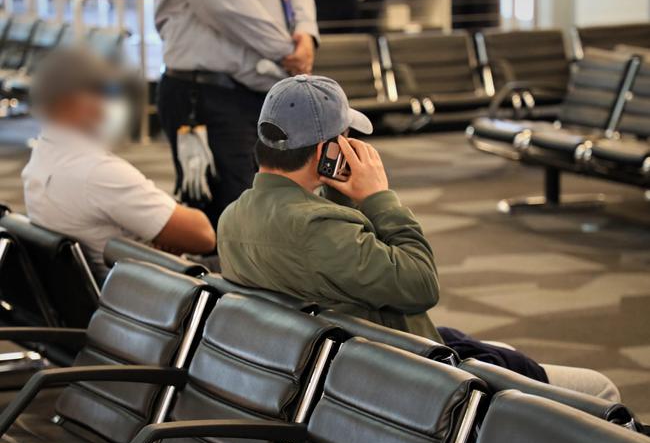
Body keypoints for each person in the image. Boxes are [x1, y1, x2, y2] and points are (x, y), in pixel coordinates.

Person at [217, 74, 621, 402]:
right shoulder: (318, 228)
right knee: (600, 390)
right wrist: (378, 197)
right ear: (327, 151)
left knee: (498, 349)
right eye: (347, 139)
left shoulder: (233, 219)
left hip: (332, 371)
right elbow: (420, 282)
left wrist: (344, 197)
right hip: (409, 385)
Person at [22, 47, 216, 282]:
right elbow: (203, 236)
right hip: (148, 295)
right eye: (102, 92)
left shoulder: (43, 154)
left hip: (114, 290)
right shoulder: (97, 172)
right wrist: (167, 222)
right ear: (69, 103)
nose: (111, 103)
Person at [153, 0, 319, 229]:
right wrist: (288, 52)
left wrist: (306, 33)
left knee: (272, 210)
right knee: (231, 219)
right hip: (209, 93)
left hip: (264, 89)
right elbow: (224, 4)